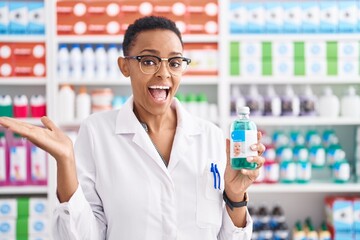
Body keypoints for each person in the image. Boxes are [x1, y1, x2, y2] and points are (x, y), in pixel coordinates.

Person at [0, 16, 265, 240]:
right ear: (125, 66)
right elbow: (81, 235)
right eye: (149, 61)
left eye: (174, 63)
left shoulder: (211, 137)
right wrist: (65, 161)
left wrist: (235, 196)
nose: (164, 74)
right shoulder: (97, 133)